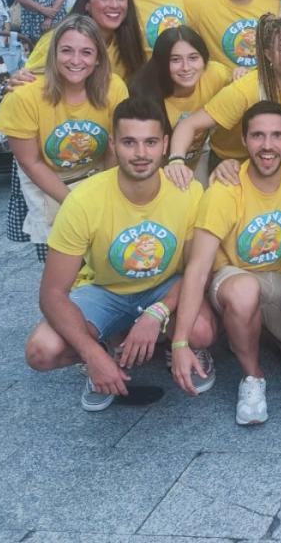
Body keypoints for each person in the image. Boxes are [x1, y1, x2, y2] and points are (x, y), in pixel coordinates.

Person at [23, 97, 217, 411]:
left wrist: (158, 312)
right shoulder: (83, 200)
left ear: (165, 144)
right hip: (105, 289)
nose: (141, 154)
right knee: (41, 351)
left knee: (202, 331)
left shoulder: (189, 191)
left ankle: (173, 346)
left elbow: (198, 269)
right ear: (113, 144)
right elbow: (52, 293)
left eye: (150, 142)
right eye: (130, 142)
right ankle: (105, 354)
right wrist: (91, 353)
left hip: (165, 285)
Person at [169, 101, 281, 425]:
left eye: (276, 136)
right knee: (244, 292)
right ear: (244, 140)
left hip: (274, 275)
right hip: (230, 277)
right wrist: (180, 341)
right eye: (257, 136)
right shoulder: (224, 190)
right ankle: (252, 378)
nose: (267, 146)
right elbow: (198, 267)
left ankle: (257, 331)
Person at [0, 14, 129, 262]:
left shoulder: (114, 87)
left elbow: (114, 147)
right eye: (66, 51)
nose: (76, 60)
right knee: (62, 266)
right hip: (49, 182)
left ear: (99, 58)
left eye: (87, 53)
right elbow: (30, 162)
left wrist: (105, 196)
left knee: (105, 261)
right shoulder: (24, 96)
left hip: (98, 177)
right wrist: (74, 205)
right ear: (53, 54)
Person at [165, 11, 281, 170]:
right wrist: (176, 161)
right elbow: (189, 124)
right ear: (269, 55)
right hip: (231, 166)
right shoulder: (245, 90)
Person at [130, 26, 232, 182]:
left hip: (200, 157)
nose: (186, 67)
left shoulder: (215, 74)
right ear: (162, 63)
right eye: (175, 60)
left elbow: (242, 92)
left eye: (193, 58)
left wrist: (240, 73)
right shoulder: (144, 97)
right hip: (160, 168)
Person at [22, 0, 147, 82]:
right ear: (87, 3)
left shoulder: (129, 40)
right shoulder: (57, 39)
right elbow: (27, 82)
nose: (114, 4)